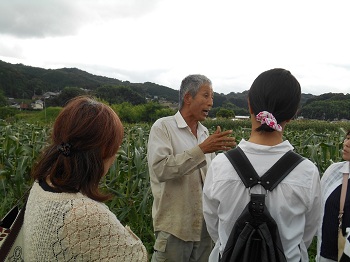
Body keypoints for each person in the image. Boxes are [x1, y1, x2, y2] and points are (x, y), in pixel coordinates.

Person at [203, 68, 322, 262]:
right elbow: (307, 233)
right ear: (293, 113)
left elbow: (214, 227)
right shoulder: (307, 172)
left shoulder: (220, 165)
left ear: (250, 105)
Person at [23, 96, 148, 261]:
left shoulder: (42, 183)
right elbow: (138, 257)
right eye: (115, 148)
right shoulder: (84, 214)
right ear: (102, 151)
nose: (115, 157)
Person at [147, 74, 236, 262]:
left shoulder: (205, 133)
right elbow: (161, 169)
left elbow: (211, 180)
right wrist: (202, 150)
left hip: (204, 229)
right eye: (206, 96)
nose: (211, 102)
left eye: (212, 97)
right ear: (188, 98)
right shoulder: (163, 127)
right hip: (175, 227)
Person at [317, 129, 350, 262]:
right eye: (347, 138)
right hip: (329, 254)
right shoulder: (335, 172)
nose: (346, 144)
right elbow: (317, 212)